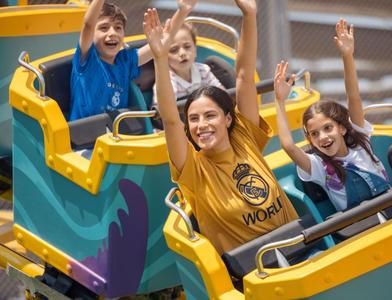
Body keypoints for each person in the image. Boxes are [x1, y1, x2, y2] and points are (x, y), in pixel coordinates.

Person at [144, 0, 298, 255]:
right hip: (256, 268)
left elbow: (245, 76)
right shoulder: (194, 170)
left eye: (210, 116)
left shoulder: (244, 138)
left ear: (228, 119)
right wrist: (160, 58)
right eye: (193, 119)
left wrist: (250, 15)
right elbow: (171, 119)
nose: (201, 125)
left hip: (297, 244)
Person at [273, 19, 391, 212]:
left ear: (342, 128)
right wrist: (279, 101)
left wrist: (347, 55)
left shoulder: (362, 143)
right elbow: (288, 146)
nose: (323, 137)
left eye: (327, 128)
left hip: (390, 213)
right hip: (357, 228)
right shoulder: (319, 167)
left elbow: (353, 97)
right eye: (314, 134)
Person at [69, 0, 197, 121]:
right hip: (85, 139)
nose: (112, 33)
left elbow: (163, 40)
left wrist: (182, 12)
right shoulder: (87, 59)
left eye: (118, 28)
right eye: (104, 28)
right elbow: (88, 24)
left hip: (117, 134)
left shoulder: (125, 61)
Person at [152, 22, 224, 105]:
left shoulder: (203, 70)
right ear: (163, 57)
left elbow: (222, 93)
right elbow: (164, 113)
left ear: (195, 49)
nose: (182, 53)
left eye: (187, 47)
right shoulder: (167, 82)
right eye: (173, 50)